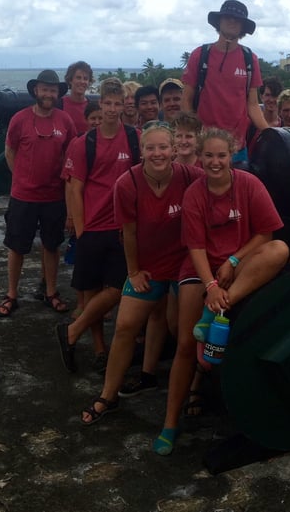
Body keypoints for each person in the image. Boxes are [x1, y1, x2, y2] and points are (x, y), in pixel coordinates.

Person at [154, 127, 288, 455]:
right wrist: (211, 285)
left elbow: (267, 234)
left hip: (235, 265)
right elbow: (196, 248)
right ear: (201, 157)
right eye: (209, 156)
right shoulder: (195, 194)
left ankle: (215, 310)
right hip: (200, 269)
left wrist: (232, 261)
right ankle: (170, 422)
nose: (216, 162)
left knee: (281, 250)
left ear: (232, 155)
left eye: (222, 155)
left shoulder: (248, 184)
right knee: (186, 345)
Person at [79, 121, 201, 424]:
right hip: (150, 265)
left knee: (181, 329)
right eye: (150, 148)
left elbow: (222, 181)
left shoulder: (189, 176)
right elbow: (129, 233)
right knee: (125, 325)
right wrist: (133, 271)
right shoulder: (128, 183)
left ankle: (196, 388)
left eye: (163, 147)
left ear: (173, 149)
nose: (157, 153)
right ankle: (109, 394)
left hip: (184, 263)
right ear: (141, 151)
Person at [56, 78, 140, 374]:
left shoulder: (134, 138)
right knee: (91, 291)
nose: (113, 109)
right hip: (92, 226)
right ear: (100, 103)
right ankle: (99, 349)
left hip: (123, 226)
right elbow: (75, 189)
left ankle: (72, 330)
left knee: (117, 288)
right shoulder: (83, 144)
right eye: (108, 103)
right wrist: (81, 231)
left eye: (119, 104)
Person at [0, 70, 76, 317]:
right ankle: (11, 294)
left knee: (51, 246)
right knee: (16, 247)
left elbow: (71, 154)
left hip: (54, 195)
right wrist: (20, 177)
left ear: (58, 94)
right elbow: (10, 151)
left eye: (53, 90)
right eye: (44, 89)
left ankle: (50, 292)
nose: (48, 94)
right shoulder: (19, 119)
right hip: (24, 196)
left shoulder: (65, 121)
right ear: (35, 91)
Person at [181, 0, 269, 162]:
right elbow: (186, 99)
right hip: (204, 146)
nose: (232, 21)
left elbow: (253, 105)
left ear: (243, 26)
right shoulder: (200, 55)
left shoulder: (250, 59)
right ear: (219, 21)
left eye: (237, 19)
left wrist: (272, 135)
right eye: (228, 16)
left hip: (236, 147)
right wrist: (192, 134)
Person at [62, 61, 93, 135]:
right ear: (70, 80)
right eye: (78, 78)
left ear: (89, 82)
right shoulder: (59, 104)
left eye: (85, 79)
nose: (82, 81)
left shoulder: (92, 107)